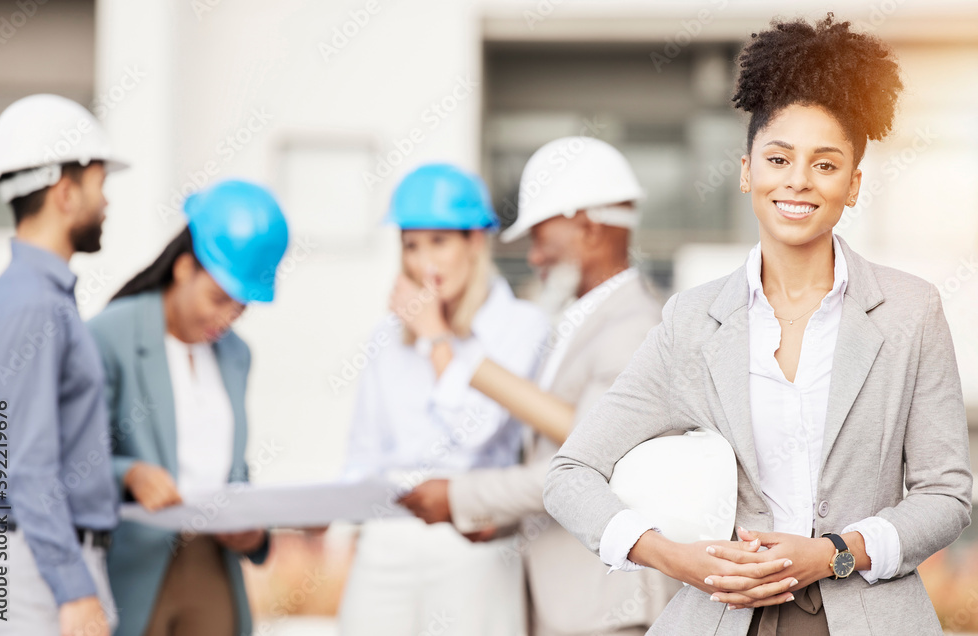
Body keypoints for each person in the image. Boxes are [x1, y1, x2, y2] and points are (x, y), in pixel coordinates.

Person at [544, 14, 972, 636]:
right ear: (747, 171)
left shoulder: (911, 311)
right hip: (723, 615)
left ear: (853, 185)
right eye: (778, 158)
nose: (798, 180)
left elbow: (945, 495)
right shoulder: (691, 322)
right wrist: (678, 559)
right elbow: (571, 475)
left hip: (868, 616)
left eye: (825, 165)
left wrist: (832, 552)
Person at [400, 137, 681, 635]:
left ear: (588, 228)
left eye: (542, 238)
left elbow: (582, 468)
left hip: (604, 608)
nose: (533, 257)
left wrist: (462, 497)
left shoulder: (631, 328)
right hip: (568, 603)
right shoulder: (582, 323)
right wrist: (500, 521)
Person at [338, 163, 550, 635]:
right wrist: (343, 522)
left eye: (439, 241)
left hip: (471, 537)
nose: (422, 262)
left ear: (475, 242)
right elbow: (365, 451)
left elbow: (477, 430)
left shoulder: (522, 328)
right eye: (412, 245)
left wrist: (436, 337)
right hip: (387, 536)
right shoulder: (386, 337)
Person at [87, 180, 289, 636]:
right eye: (219, 299)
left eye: (241, 308)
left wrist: (254, 531)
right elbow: (69, 457)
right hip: (132, 559)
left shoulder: (236, 354)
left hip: (212, 562)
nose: (226, 320)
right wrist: (130, 475)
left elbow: (232, 468)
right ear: (183, 268)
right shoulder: (108, 335)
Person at [0, 94, 128, 636]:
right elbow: (22, 462)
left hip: (30, 558)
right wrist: (74, 588)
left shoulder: (36, 298)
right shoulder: (32, 305)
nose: (107, 202)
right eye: (99, 186)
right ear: (65, 192)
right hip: (36, 570)